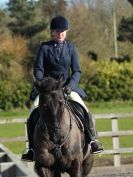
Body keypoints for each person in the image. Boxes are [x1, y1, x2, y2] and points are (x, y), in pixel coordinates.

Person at [21, 15, 103, 161]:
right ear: (52, 32)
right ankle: (32, 149)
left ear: (66, 32)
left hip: (66, 88)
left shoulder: (71, 48)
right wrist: (42, 84)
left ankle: (92, 140)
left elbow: (77, 71)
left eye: (63, 31)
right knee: (33, 111)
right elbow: (38, 69)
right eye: (58, 31)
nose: (61, 34)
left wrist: (71, 87)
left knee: (84, 109)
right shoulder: (44, 48)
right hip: (48, 90)